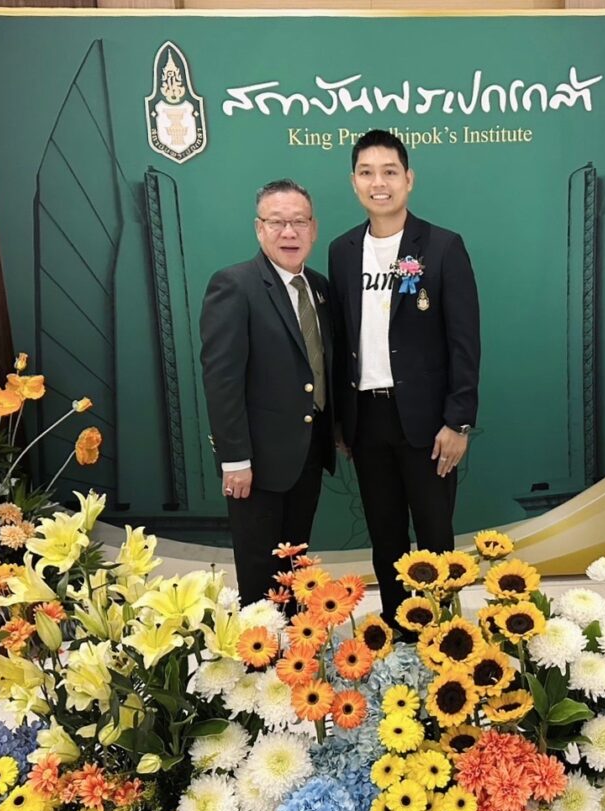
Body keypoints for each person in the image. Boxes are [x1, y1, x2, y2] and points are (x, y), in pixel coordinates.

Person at [327, 129, 480, 627]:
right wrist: (342, 422)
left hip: (428, 422)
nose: (379, 183)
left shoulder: (442, 246)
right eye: (367, 173)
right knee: (386, 535)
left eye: (389, 172)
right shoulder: (342, 250)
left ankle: (443, 637)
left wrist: (458, 421)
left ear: (408, 179)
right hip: (366, 420)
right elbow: (340, 339)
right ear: (354, 182)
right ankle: (398, 629)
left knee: (434, 536)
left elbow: (464, 341)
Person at [200, 179, 335, 605]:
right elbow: (222, 379)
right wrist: (234, 459)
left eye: (299, 222)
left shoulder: (320, 287)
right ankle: (261, 646)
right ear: (259, 229)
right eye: (277, 222)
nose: (289, 232)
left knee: (296, 568)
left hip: (308, 454)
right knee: (261, 576)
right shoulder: (234, 285)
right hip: (255, 464)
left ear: (314, 228)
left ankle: (296, 641)